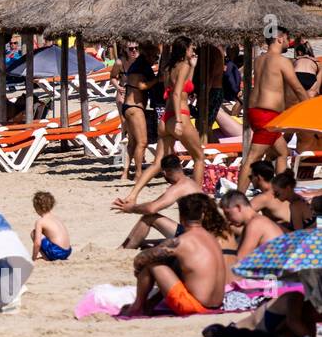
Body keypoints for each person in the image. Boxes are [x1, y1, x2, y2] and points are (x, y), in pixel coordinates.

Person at [123, 37, 204, 201]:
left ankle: (133, 194)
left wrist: (193, 67)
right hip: (179, 115)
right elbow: (176, 93)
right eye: (191, 48)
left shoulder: (169, 68)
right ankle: (196, 197)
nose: (193, 51)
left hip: (165, 119)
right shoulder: (184, 65)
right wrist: (180, 122)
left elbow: (183, 86)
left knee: (157, 163)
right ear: (185, 49)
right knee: (199, 157)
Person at [123, 193, 227, 317]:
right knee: (177, 265)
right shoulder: (212, 238)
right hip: (217, 304)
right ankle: (149, 305)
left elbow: (141, 259)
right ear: (202, 215)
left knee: (153, 263)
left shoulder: (181, 242)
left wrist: (139, 268)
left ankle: (137, 307)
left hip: (194, 307)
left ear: (181, 216)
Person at [238, 30, 309, 192]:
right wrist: (311, 107)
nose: (289, 42)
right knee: (252, 158)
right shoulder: (282, 61)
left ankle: (281, 192)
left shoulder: (259, 59)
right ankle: (237, 198)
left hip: (255, 112)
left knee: (282, 152)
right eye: (287, 39)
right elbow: (297, 88)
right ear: (279, 38)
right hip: (267, 115)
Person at [112, 154, 201, 248]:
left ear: (165, 173)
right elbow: (156, 203)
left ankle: (122, 250)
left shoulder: (177, 188)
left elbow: (151, 209)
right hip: (203, 235)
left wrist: (131, 208)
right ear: (181, 167)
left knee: (149, 218)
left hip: (195, 238)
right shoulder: (190, 183)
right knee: (142, 243)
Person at [117, 42, 160, 182]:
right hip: (135, 108)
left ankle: (125, 173)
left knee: (132, 143)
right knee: (142, 142)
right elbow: (141, 85)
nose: (156, 59)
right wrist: (159, 79)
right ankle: (138, 173)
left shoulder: (137, 65)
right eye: (155, 56)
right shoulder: (141, 66)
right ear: (148, 54)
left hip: (128, 107)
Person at [219, 190, 284, 271]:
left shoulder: (255, 224)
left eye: (228, 214)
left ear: (238, 207)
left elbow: (240, 259)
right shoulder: (254, 222)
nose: (228, 219)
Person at [30, 190, 71, 261]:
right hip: (67, 251)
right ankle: (50, 255)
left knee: (33, 233)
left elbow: (37, 243)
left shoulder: (40, 221)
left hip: (57, 252)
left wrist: (33, 258)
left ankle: (46, 258)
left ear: (36, 208)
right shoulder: (56, 218)